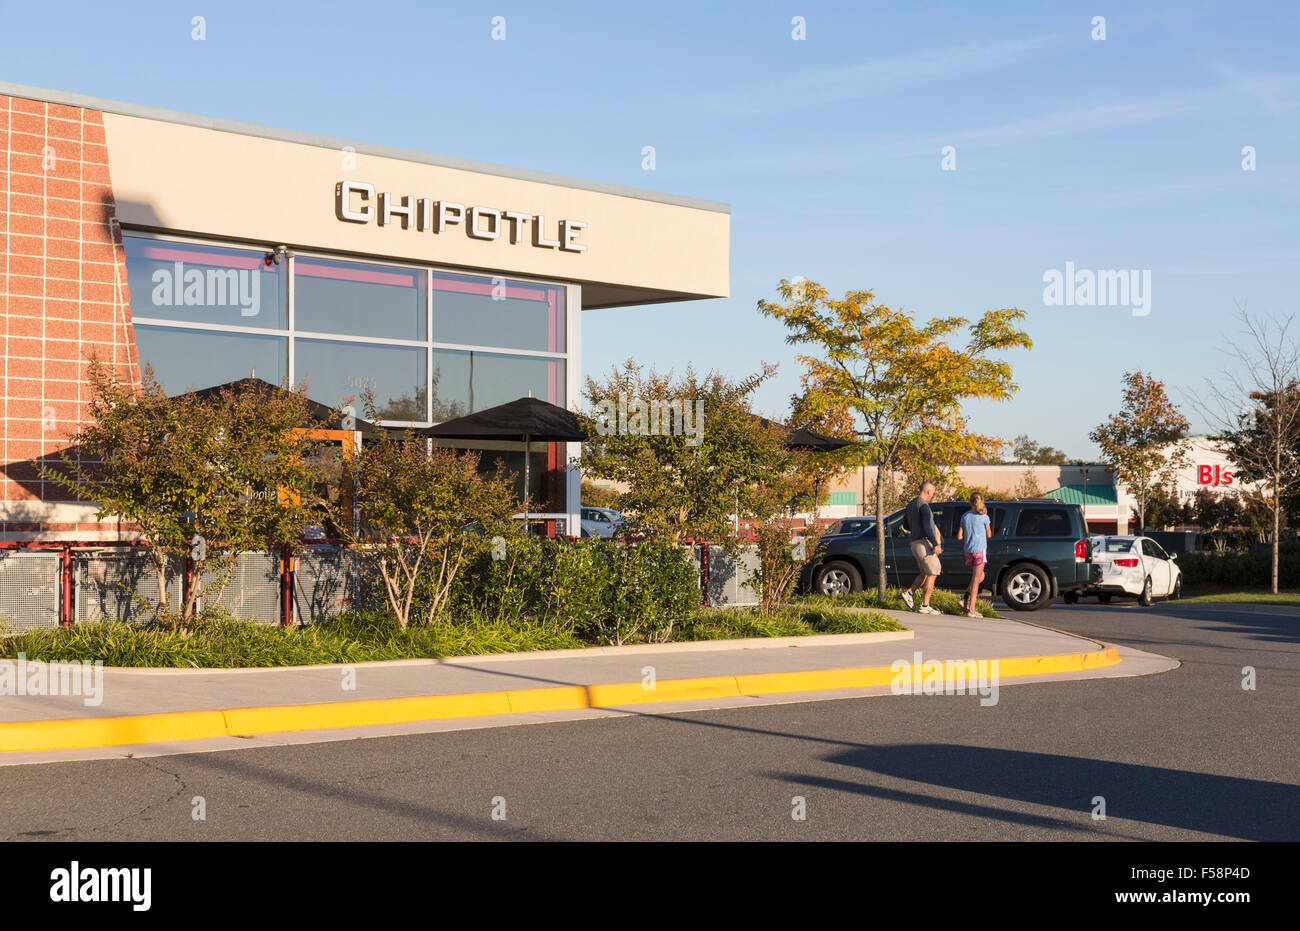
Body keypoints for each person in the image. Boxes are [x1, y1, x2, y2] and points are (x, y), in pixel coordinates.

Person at [901, 480, 942, 615]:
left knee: (924, 573)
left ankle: (909, 592)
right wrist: (935, 544)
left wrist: (915, 526)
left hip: (913, 543)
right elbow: (927, 527)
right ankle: (925, 605)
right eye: (933, 493)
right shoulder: (924, 506)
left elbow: (906, 525)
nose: (932, 496)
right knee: (933, 573)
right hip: (924, 544)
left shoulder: (911, 504)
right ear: (928, 491)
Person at [957, 492, 993, 618]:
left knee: (980, 576)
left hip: (968, 551)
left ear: (970, 502)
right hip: (980, 550)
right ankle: (971, 609)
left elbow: (959, 536)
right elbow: (989, 535)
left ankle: (964, 599)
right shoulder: (984, 517)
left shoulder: (965, 516)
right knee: (977, 580)